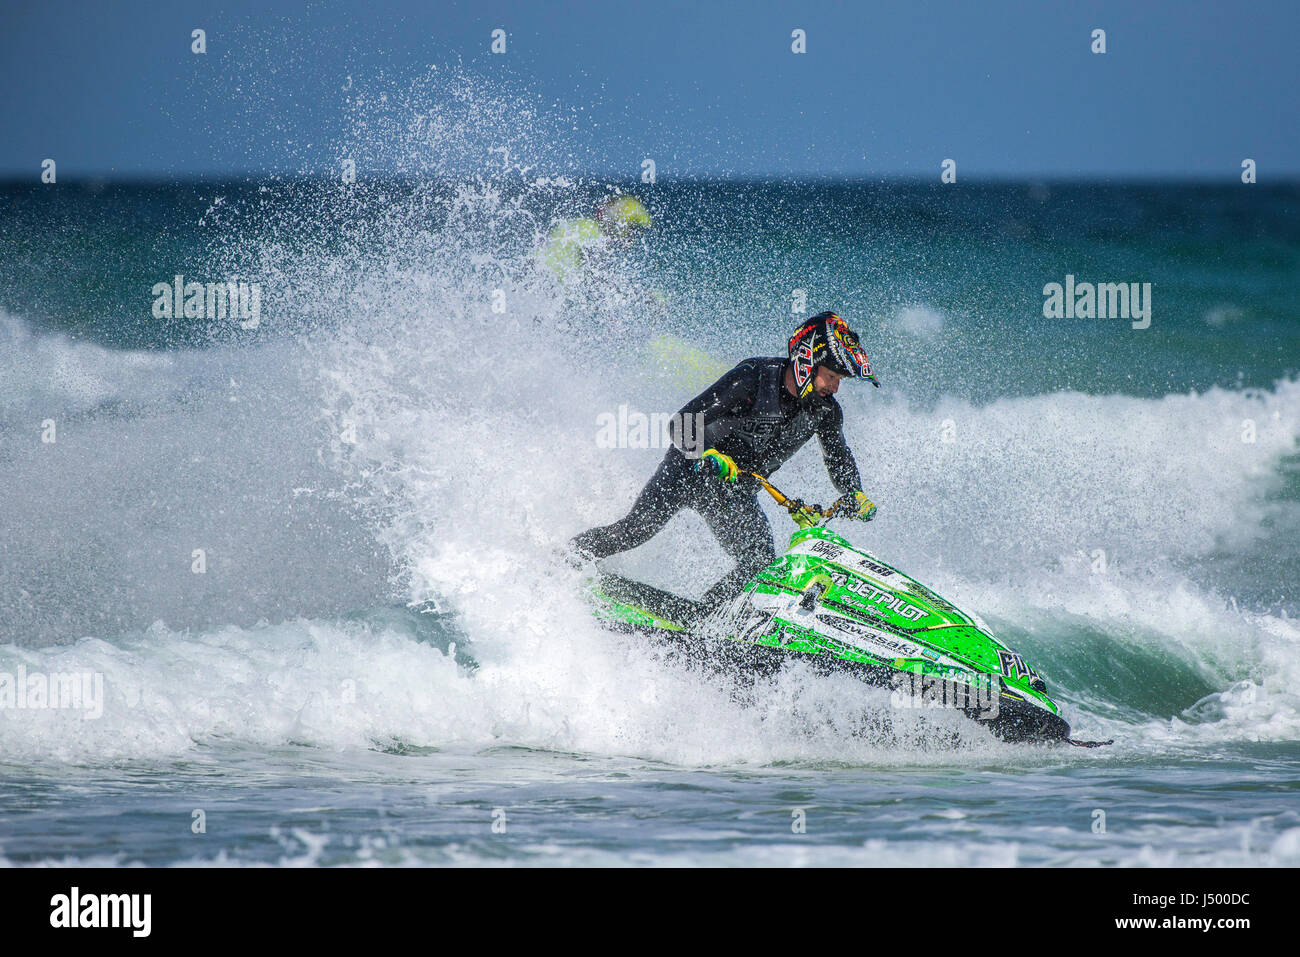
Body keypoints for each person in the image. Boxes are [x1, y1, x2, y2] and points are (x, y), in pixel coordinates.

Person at [569, 311, 881, 614]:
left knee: (760, 565)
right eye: (831, 376)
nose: (835, 387)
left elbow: (839, 457)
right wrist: (707, 452)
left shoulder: (826, 411)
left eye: (839, 379)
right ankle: (566, 563)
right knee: (635, 530)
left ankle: (704, 621)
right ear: (807, 361)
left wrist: (855, 492)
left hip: (734, 493)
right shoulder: (754, 378)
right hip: (688, 471)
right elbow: (681, 423)